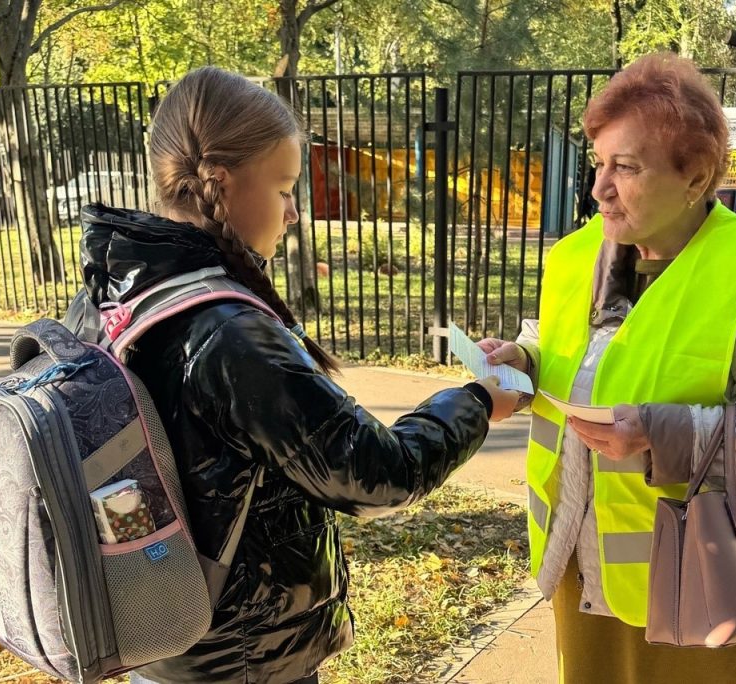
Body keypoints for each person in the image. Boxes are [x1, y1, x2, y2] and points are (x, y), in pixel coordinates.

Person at [71, 66, 518, 683]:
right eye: (284, 188)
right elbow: (376, 473)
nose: (294, 211)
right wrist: (479, 402)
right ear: (221, 184)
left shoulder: (110, 296)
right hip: (245, 655)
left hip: (163, 632)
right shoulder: (228, 334)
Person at [478, 52, 736, 683]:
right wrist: (523, 362)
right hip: (582, 563)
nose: (599, 187)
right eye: (599, 162)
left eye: (627, 167)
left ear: (695, 178)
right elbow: (572, 351)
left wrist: (657, 434)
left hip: (698, 581)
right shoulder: (575, 255)